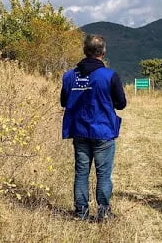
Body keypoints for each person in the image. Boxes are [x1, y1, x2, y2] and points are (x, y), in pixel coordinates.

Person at [60, 34, 126, 221]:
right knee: (103, 174)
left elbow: (64, 101)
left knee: (81, 173)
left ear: (84, 51)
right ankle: (104, 213)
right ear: (103, 52)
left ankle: (81, 213)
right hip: (103, 131)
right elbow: (121, 104)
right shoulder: (110, 76)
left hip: (79, 130)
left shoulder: (69, 76)